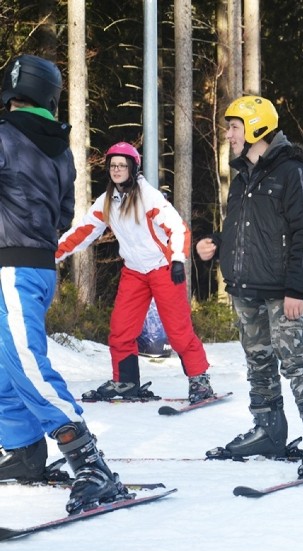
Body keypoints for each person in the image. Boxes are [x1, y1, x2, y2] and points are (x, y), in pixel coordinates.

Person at [0, 54, 130, 513]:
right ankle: (21, 452)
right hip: (34, 265)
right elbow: (60, 216)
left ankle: (88, 461)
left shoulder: (3, 134)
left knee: (28, 366)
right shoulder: (60, 147)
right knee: (5, 368)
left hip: (11, 268)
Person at [195, 95, 303, 478]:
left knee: (295, 363)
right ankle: (269, 430)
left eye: (234, 127)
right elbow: (248, 229)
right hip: (246, 286)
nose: (228, 134)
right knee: (258, 363)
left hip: (282, 290)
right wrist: (217, 242)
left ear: (257, 128)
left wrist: (297, 288)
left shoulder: (292, 172)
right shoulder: (243, 173)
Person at [56, 142, 215, 403]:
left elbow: (178, 227)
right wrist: (52, 253)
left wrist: (177, 259)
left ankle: (200, 380)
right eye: (113, 165)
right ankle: (125, 382)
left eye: (122, 165)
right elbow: (84, 231)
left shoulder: (148, 196)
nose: (117, 170)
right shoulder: (107, 200)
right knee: (121, 329)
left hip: (163, 268)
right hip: (134, 272)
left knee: (178, 330)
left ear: (133, 168)